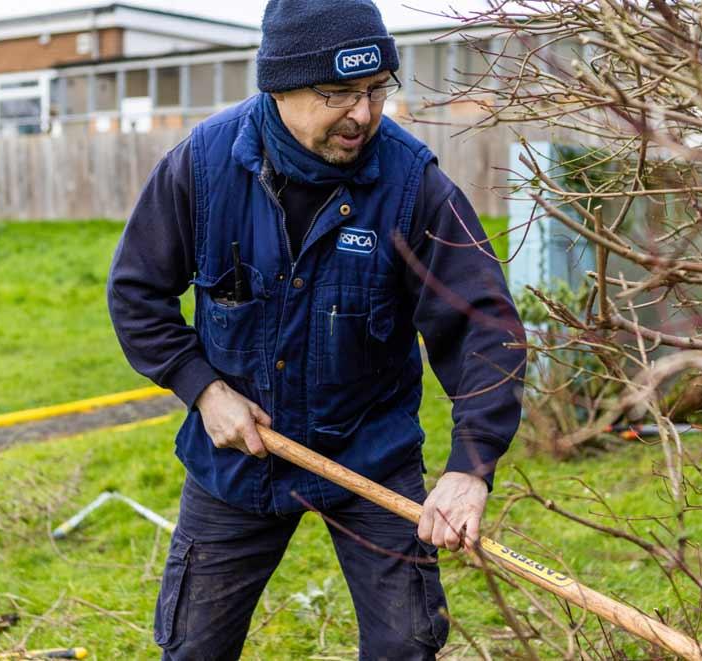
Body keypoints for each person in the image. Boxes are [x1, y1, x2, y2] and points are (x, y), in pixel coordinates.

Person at [107, 1, 525, 658]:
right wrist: (202, 388)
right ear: (277, 87)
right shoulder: (204, 167)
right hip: (237, 460)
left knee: (406, 643)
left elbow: (485, 327)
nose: (362, 114)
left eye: (375, 90)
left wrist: (471, 466)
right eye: (336, 93)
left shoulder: (412, 185)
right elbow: (135, 291)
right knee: (192, 646)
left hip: (372, 455)